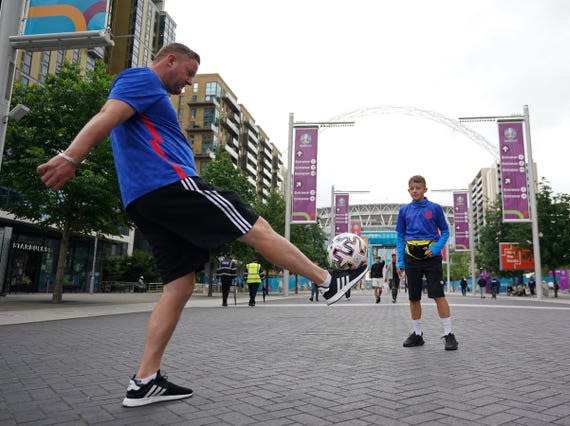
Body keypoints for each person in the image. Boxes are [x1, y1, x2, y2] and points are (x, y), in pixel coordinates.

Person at [36, 42, 367, 408]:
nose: (189, 83)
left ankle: (144, 380)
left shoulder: (144, 91)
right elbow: (107, 116)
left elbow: (115, 118)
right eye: (188, 73)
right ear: (170, 60)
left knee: (179, 286)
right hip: (171, 184)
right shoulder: (141, 78)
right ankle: (327, 281)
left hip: (143, 201)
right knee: (256, 228)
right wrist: (71, 157)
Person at [396, 175, 458, 351]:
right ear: (409, 190)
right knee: (413, 297)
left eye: (418, 188)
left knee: (438, 295)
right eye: (412, 188)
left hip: (432, 258)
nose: (415, 191)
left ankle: (449, 335)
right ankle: (417, 335)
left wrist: (437, 248)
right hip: (411, 258)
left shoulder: (435, 208)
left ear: (425, 189)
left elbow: (445, 232)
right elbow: (400, 236)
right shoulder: (404, 211)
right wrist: (400, 261)